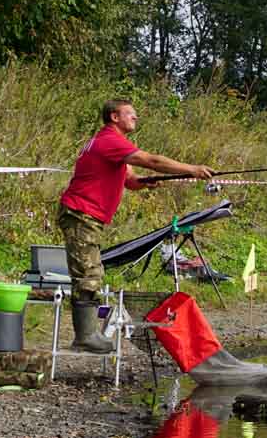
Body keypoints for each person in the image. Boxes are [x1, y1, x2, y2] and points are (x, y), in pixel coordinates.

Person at [58, 98, 214, 352]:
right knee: (88, 274)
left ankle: (86, 334)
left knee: (92, 271)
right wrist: (192, 168)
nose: (136, 118)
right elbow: (151, 160)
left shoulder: (113, 143)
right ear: (114, 117)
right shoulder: (110, 140)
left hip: (87, 215)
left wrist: (143, 182)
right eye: (130, 114)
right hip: (81, 213)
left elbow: (130, 179)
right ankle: (84, 336)